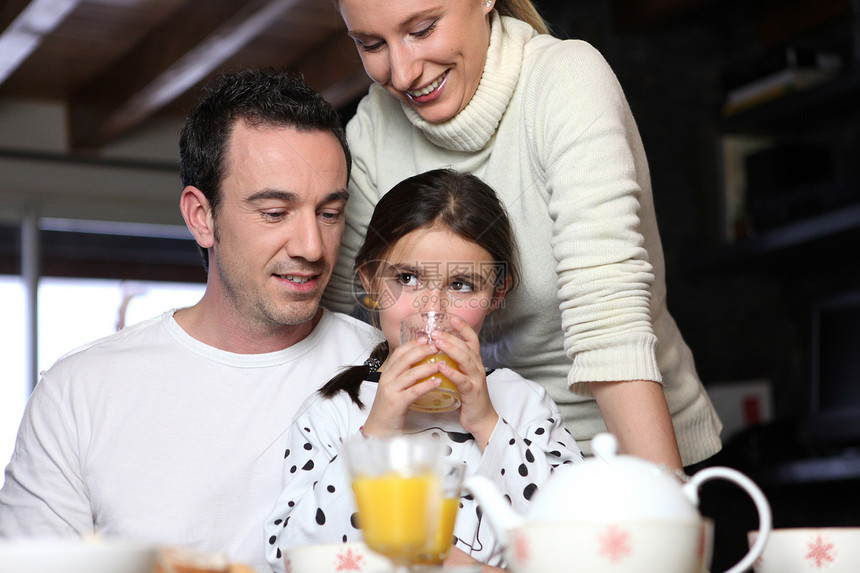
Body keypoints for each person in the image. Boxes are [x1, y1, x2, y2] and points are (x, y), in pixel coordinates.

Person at [0, 69, 382, 573]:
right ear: (202, 216)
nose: (311, 247)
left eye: (329, 213)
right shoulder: (78, 393)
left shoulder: (389, 371)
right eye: (274, 213)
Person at [322, 0, 723, 469]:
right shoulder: (374, 126)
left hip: (612, 450)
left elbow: (607, 313)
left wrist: (657, 500)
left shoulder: (565, 80)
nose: (404, 73)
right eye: (371, 45)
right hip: (483, 464)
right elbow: (330, 315)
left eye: (424, 29)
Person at [264, 169, 583, 572]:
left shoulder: (522, 405)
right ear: (371, 283)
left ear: (496, 294)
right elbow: (287, 559)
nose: (433, 309)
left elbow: (579, 539)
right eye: (408, 278)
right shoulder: (335, 412)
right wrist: (376, 432)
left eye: (462, 284)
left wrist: (487, 422)